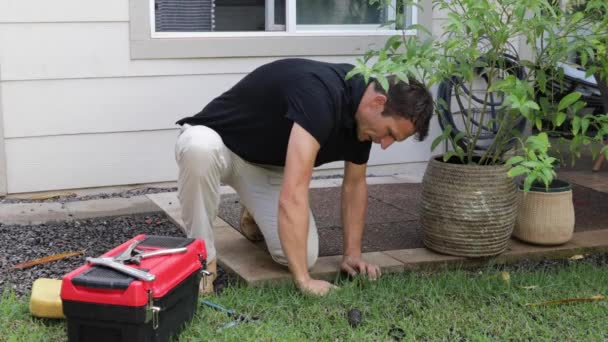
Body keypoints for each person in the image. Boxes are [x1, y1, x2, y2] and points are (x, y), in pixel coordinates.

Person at [174, 58, 434, 295]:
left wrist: (352, 254)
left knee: (303, 255)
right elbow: (294, 191)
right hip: (219, 145)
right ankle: (201, 261)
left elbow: (354, 186)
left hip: (266, 167)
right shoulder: (320, 96)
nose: (385, 144)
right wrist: (304, 281)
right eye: (389, 132)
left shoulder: (365, 123)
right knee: (198, 147)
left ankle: (252, 209)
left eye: (394, 140)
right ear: (378, 103)